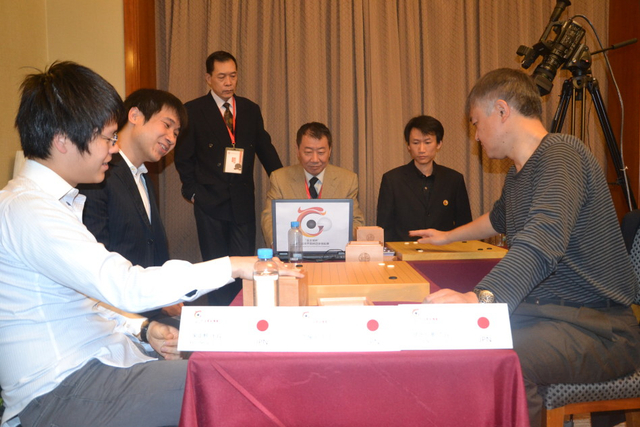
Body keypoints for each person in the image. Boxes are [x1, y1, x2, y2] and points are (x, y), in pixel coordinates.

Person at [0, 61, 300, 427]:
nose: (113, 149)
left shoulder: (52, 204)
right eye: (106, 138)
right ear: (63, 139)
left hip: (105, 362)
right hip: (61, 388)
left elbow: (86, 298)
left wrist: (143, 330)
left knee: (230, 361)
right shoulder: (27, 210)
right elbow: (123, 285)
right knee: (234, 383)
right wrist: (235, 264)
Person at [410, 68, 640, 427]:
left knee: (503, 359)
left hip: (601, 329)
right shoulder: (519, 174)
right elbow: (498, 218)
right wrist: (448, 236)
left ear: (502, 111)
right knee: (463, 337)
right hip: (550, 315)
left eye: (476, 123)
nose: (476, 136)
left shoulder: (562, 154)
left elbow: (541, 242)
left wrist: (480, 298)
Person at [175, 50, 283, 306]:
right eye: (221, 77)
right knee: (216, 269)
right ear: (208, 78)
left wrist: (283, 183)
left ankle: (241, 314)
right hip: (209, 201)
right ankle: (219, 317)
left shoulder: (249, 109)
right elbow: (183, 157)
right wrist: (192, 192)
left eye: (233, 76)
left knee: (244, 266)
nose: (228, 82)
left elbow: (265, 149)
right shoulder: (193, 110)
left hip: (242, 200)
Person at [79, 88, 187, 319]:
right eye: (167, 125)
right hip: (114, 316)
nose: (171, 138)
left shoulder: (143, 178)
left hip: (147, 311)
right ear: (135, 115)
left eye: (176, 133)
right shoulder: (99, 174)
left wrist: (165, 294)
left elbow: (152, 248)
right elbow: (97, 256)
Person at [261, 122, 365, 246]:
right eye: (308, 152)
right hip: (294, 250)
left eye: (321, 152)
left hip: (333, 251)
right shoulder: (280, 178)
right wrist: (279, 245)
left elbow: (356, 221)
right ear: (297, 150)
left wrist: (342, 243)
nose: (315, 159)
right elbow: (269, 218)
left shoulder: (347, 180)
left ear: (330, 151)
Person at [376, 115, 472, 242]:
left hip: (445, 250)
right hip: (404, 251)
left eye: (427, 142)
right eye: (416, 143)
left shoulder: (454, 179)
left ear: (439, 144)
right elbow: (384, 229)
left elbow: (464, 225)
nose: (421, 149)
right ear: (408, 145)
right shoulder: (392, 180)